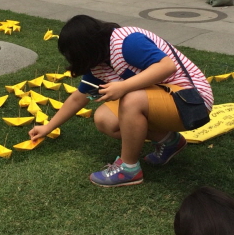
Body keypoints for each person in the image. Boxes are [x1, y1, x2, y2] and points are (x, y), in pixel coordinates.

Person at [29, 15, 213, 188]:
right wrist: (48, 127)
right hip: (166, 100)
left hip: (192, 102)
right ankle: (169, 141)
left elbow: (166, 66)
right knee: (104, 118)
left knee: (131, 99)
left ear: (88, 49)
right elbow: (78, 98)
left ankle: (128, 169)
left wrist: (124, 87)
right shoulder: (99, 62)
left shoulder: (126, 42)